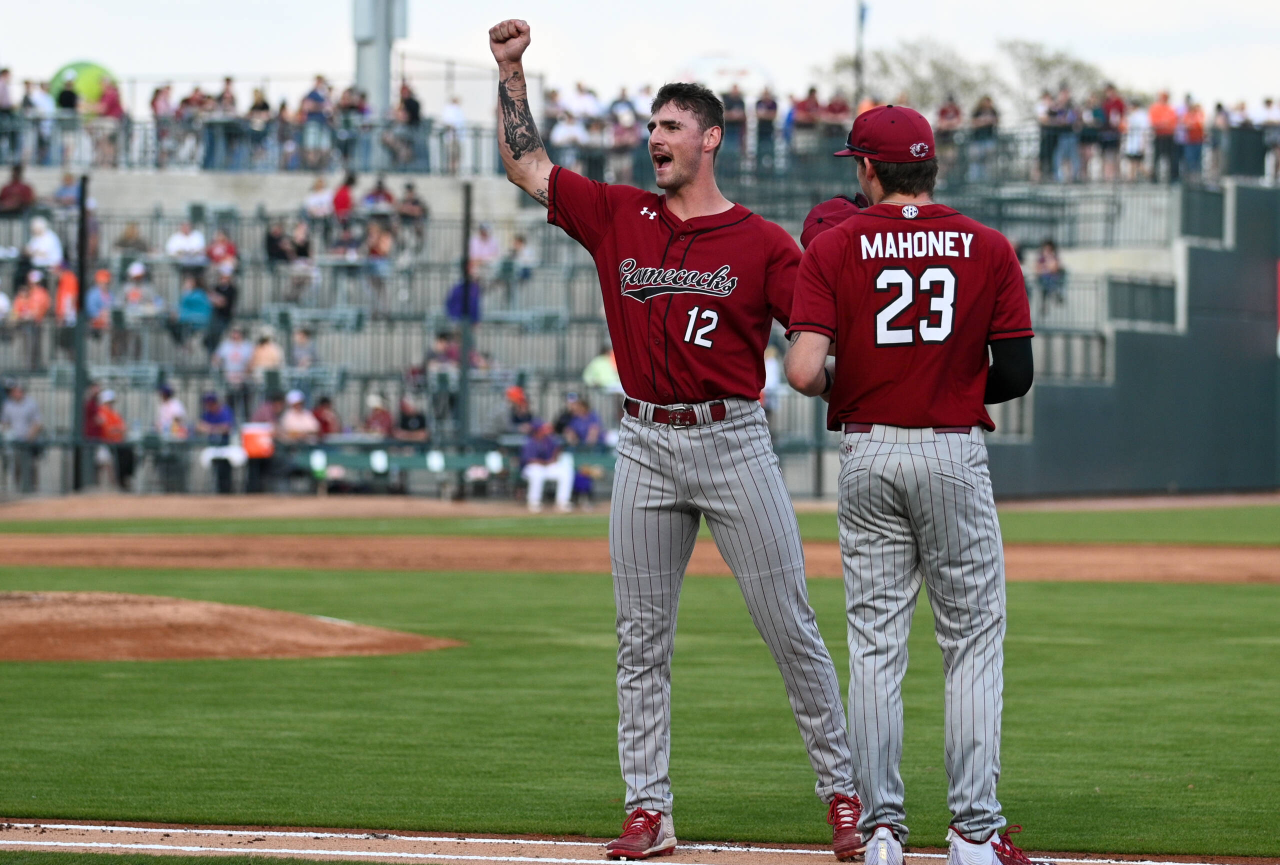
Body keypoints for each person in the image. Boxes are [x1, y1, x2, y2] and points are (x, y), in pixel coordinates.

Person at [489, 19, 860, 860]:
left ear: (710, 139)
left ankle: (844, 793)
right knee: (640, 638)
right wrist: (511, 72)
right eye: (650, 126)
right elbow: (526, 165)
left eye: (670, 126)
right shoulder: (619, 214)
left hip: (733, 440)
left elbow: (817, 343)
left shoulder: (763, 243)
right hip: (645, 442)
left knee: (789, 625)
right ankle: (648, 808)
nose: (654, 138)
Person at [784, 105, 1038, 865]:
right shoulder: (988, 246)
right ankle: (973, 831)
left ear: (868, 169)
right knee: (972, 644)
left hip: (867, 450)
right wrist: (944, 381)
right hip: (952, 449)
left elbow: (802, 370)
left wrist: (865, 380)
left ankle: (882, 831)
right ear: (932, 166)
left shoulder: (834, 245)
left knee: (875, 648)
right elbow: (1016, 373)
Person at [520, 420, 574, 513]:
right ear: (538, 430)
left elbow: (556, 452)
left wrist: (554, 456)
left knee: (566, 471)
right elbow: (529, 460)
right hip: (531, 468)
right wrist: (545, 462)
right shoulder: (529, 442)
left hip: (546, 467)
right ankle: (534, 502)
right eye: (543, 428)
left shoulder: (549, 440)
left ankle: (562, 502)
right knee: (537, 473)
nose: (546, 430)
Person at [1, 381, 44, 489]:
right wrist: (7, 432)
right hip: (16, 440)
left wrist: (30, 436)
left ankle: (34, 488)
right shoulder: (8, 405)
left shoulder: (31, 403)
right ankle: (18, 488)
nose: (14, 393)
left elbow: (38, 423)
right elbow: (5, 422)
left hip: (29, 440)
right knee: (17, 465)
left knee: (31, 465)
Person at [196, 392, 235, 493]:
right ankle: (219, 491)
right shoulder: (207, 413)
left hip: (225, 446)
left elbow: (226, 428)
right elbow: (199, 426)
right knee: (215, 470)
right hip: (213, 446)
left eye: (211, 403)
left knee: (225, 471)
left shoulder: (225, 411)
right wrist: (216, 429)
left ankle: (226, 492)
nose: (209, 406)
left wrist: (210, 428)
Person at [95, 389, 134, 490]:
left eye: (111, 402)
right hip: (107, 443)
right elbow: (108, 430)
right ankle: (120, 482)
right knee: (120, 456)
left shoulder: (113, 413)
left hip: (118, 442)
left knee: (129, 453)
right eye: (109, 402)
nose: (111, 404)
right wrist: (119, 429)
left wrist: (119, 429)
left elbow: (123, 427)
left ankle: (124, 480)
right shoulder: (101, 412)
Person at [214, 326, 254, 420]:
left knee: (245, 404)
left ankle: (246, 422)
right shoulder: (226, 345)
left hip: (243, 379)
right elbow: (217, 358)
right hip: (229, 379)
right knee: (230, 404)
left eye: (237, 332)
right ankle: (230, 423)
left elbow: (251, 362)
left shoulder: (247, 346)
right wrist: (220, 369)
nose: (235, 335)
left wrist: (244, 374)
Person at [1034, 239, 1065, 308]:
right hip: (1044, 278)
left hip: (1052, 278)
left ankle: (1054, 294)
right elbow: (1037, 269)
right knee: (1045, 281)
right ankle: (1049, 296)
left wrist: (1046, 264)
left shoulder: (1054, 257)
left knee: (1051, 280)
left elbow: (1054, 268)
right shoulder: (1041, 258)